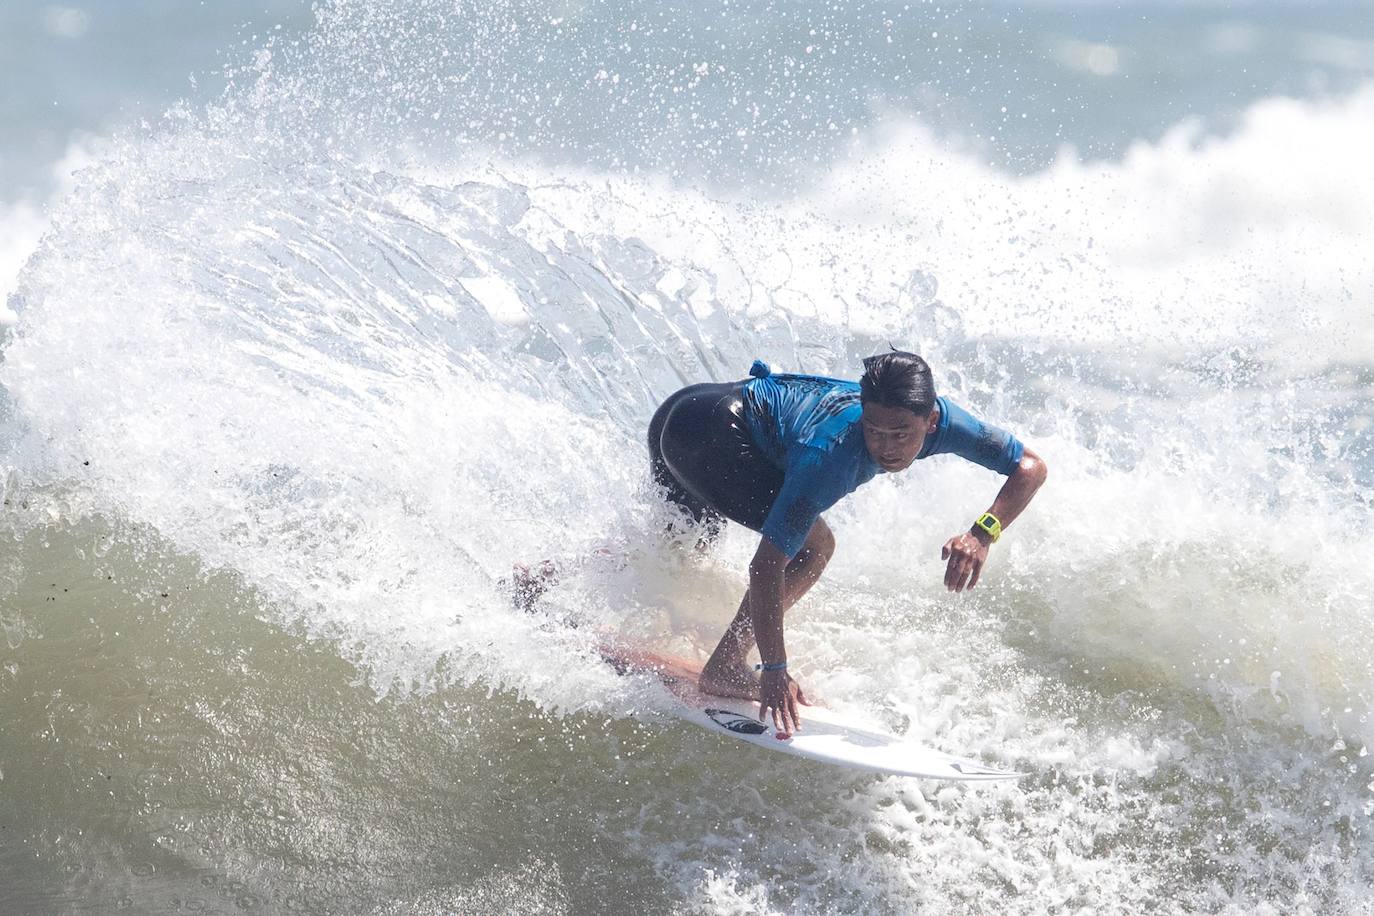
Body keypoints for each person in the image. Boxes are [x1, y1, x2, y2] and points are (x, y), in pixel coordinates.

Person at [646, 351, 1047, 737]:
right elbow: (766, 566)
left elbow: (1030, 467)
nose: (885, 447)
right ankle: (726, 667)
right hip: (707, 435)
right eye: (873, 431)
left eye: (900, 434)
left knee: (682, 548)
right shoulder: (830, 456)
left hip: (690, 408)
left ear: (932, 421)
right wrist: (774, 667)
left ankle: (621, 585)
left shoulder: (950, 424)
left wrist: (982, 532)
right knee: (814, 549)